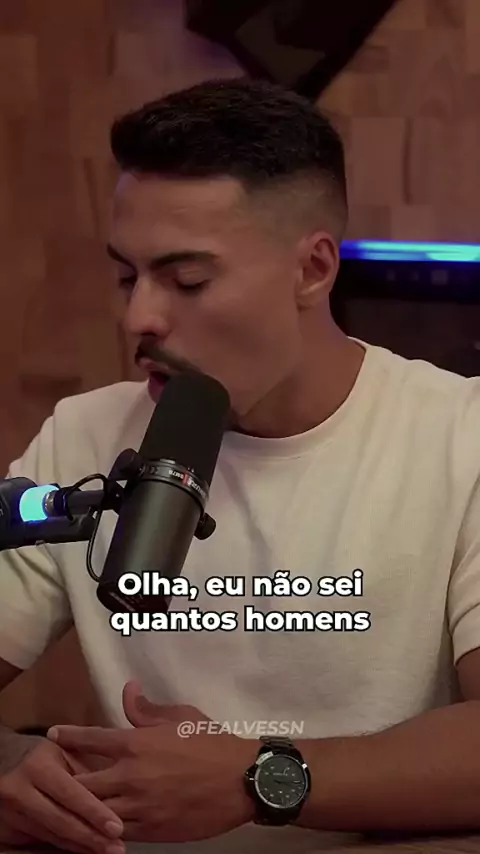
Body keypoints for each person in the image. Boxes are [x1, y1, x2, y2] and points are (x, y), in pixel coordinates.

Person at [1, 77, 480, 854]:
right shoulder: (88, 437)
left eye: (187, 280)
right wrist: (7, 762)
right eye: (127, 276)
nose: (139, 317)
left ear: (313, 269)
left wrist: (259, 778)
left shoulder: (461, 438)